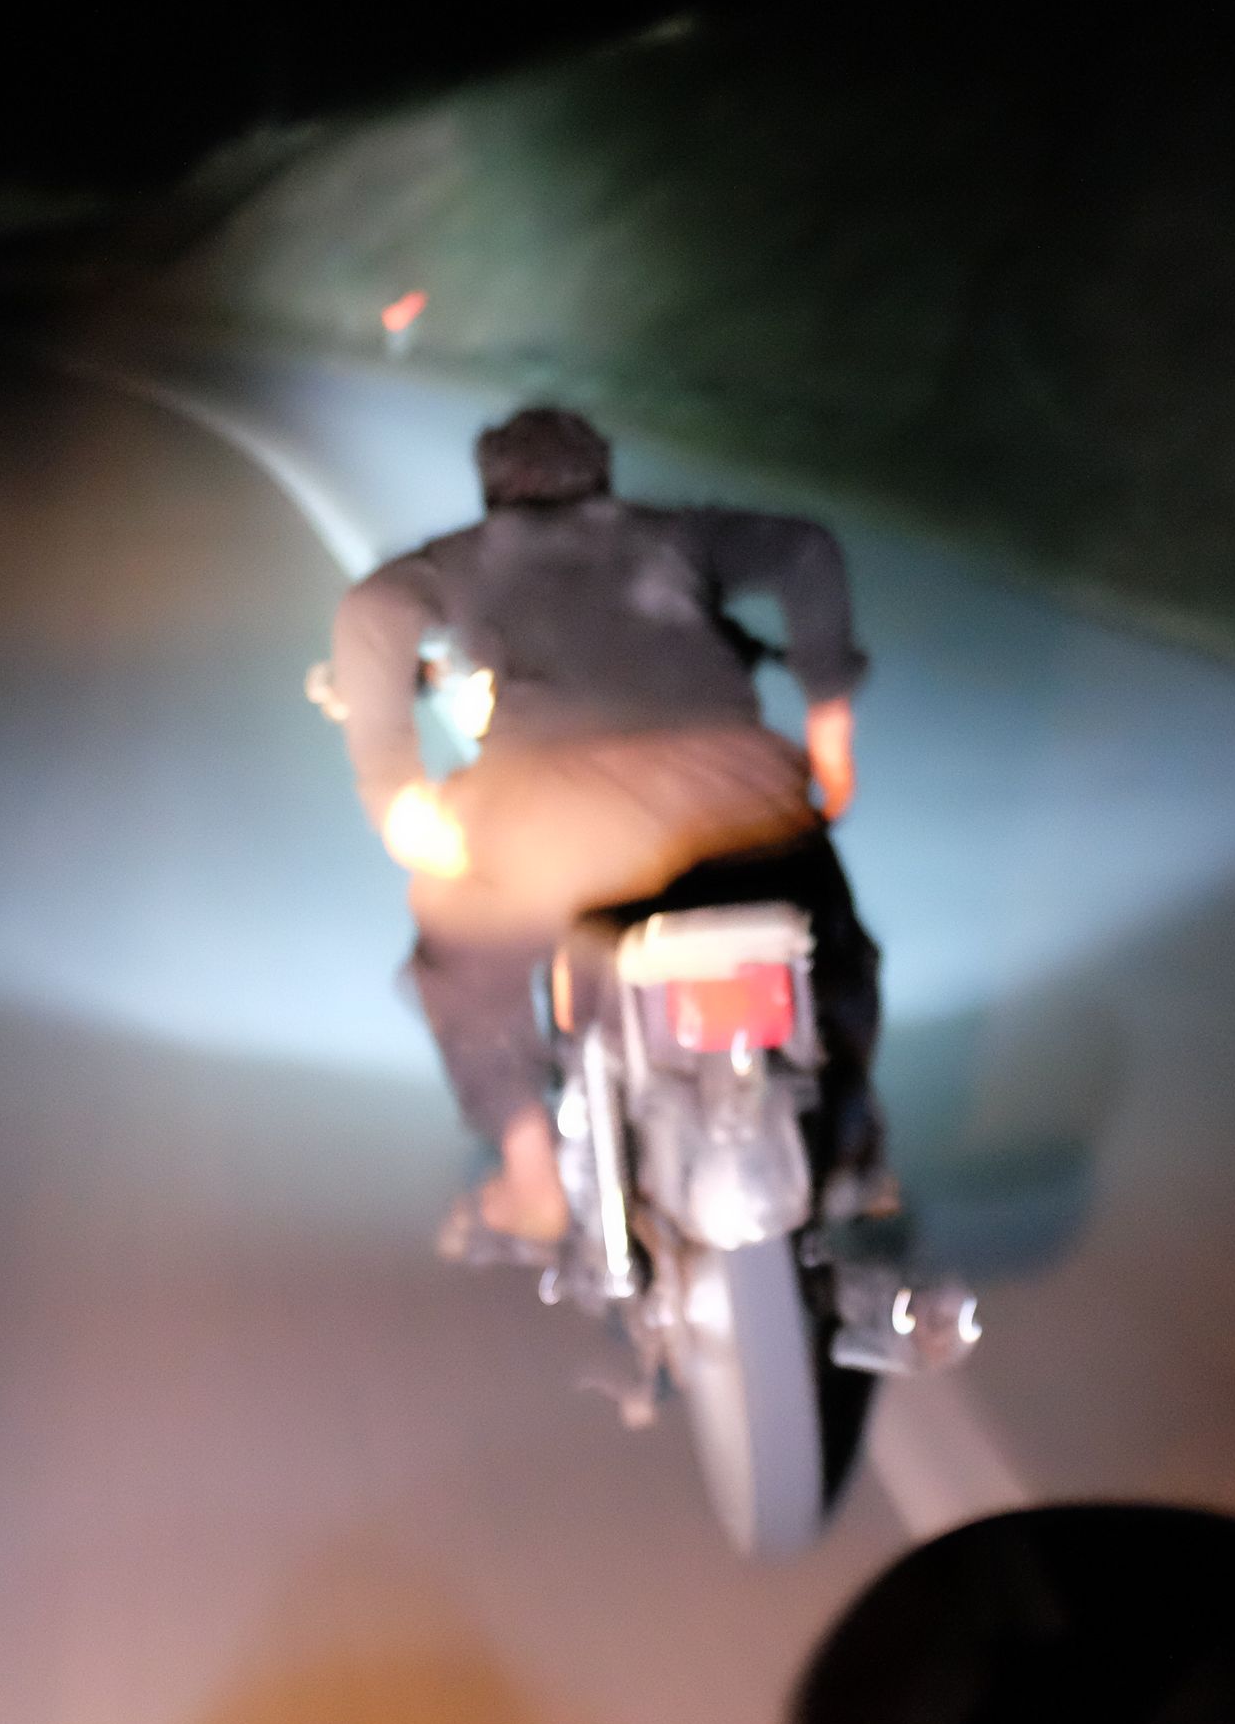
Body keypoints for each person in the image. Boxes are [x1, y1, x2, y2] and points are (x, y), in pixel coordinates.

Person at [330, 407, 876, 1246]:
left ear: (492, 493)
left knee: (457, 957)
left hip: (551, 826)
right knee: (831, 941)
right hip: (736, 800)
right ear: (603, 476)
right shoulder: (675, 535)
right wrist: (830, 728)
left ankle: (531, 1177)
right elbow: (806, 549)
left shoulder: (469, 559)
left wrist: (394, 794)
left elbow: (373, 611)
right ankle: (850, 1152)